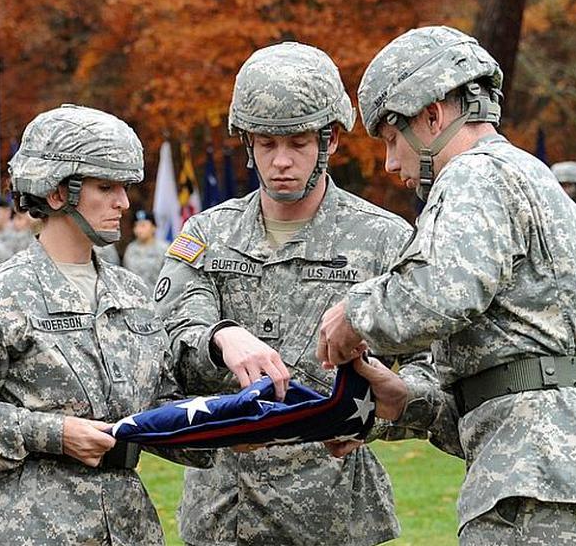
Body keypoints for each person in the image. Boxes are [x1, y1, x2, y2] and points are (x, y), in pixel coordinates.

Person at [318, 26, 576, 544]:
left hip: (543, 485)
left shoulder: (476, 174)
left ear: (431, 115)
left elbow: (442, 292)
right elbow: (518, 378)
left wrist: (352, 314)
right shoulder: (527, 178)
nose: (389, 163)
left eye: (391, 138)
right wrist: (406, 401)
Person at [155, 42, 426, 546]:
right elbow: (168, 335)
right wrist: (222, 337)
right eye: (266, 144)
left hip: (335, 513)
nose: (281, 162)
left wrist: (369, 416)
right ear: (248, 144)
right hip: (224, 515)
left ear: (330, 142)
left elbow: (429, 368)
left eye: (299, 143)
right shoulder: (208, 235)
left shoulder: (383, 240)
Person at [0, 104, 209, 545]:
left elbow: (160, 404)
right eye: (106, 187)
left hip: (127, 526)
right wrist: (53, 434)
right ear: (55, 194)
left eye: (123, 187)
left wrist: (234, 428)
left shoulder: (132, 294)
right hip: (26, 527)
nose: (123, 202)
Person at [122, 209, 168, 290]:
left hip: (156, 296)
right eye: (136, 226)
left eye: (143, 225)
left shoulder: (164, 248)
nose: (139, 230)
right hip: (134, 296)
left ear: (154, 227)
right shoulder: (131, 248)